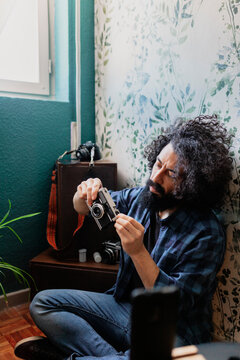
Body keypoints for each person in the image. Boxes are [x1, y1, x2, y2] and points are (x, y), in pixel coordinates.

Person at [14, 115, 233, 360]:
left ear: (193, 183)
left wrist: (138, 252)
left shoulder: (206, 232)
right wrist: (83, 192)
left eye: (171, 174)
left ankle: (67, 356)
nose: (156, 176)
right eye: (157, 163)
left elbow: (177, 306)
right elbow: (83, 207)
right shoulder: (142, 197)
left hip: (173, 330)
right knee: (43, 303)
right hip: (122, 309)